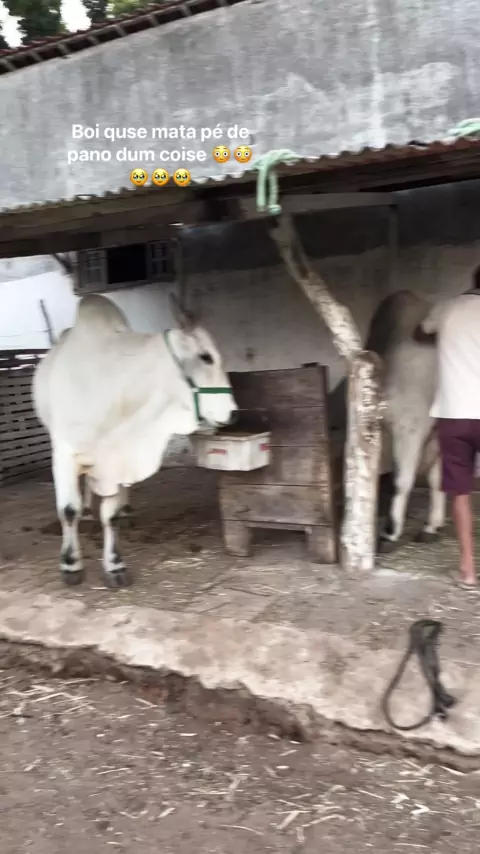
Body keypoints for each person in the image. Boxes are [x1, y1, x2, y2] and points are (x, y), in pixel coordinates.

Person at [422, 266, 480, 589]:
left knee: (460, 493)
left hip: (454, 415)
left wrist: (447, 337)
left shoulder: (446, 308)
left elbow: (419, 332)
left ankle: (468, 571)